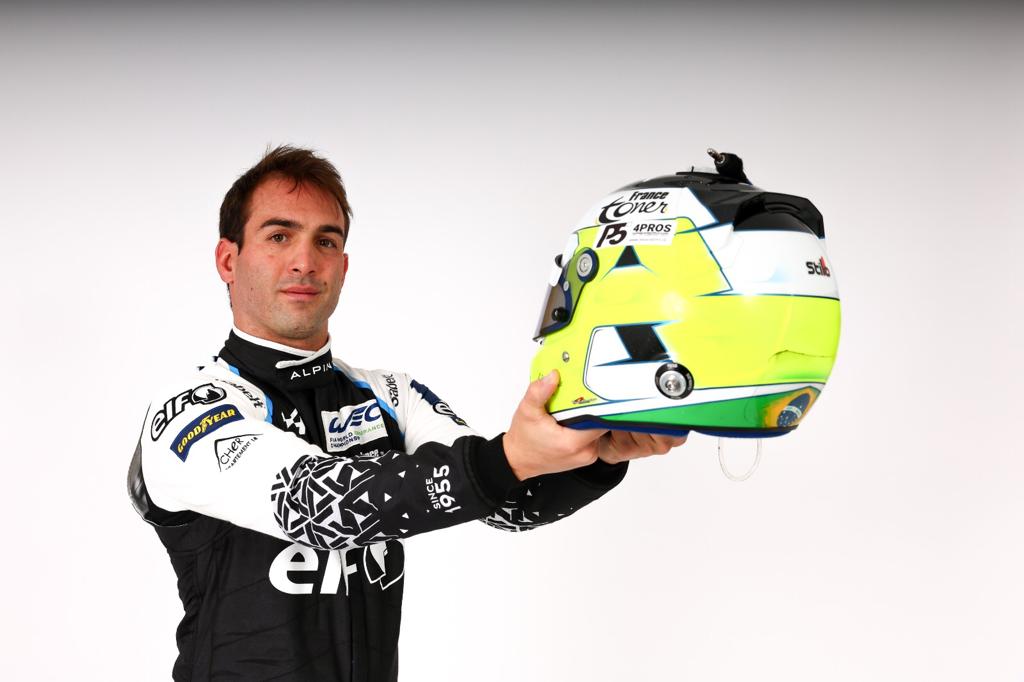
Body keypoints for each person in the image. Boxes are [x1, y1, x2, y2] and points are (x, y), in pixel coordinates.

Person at [128, 145, 687, 681]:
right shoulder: (189, 408)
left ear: (343, 266)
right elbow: (312, 505)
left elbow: (506, 502)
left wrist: (595, 450)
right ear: (228, 260)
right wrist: (512, 456)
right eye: (279, 236)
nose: (305, 261)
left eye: (326, 242)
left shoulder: (389, 394)